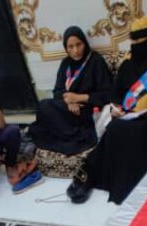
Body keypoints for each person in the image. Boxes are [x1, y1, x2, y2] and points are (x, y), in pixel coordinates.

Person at [67, 17, 147, 204]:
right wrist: (116, 107)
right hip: (127, 114)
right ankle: (92, 175)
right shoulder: (128, 63)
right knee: (116, 126)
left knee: (137, 129)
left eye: (141, 41)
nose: (136, 45)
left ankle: (136, 188)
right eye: (134, 41)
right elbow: (115, 93)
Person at [28, 26, 113, 156]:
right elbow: (57, 91)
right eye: (70, 47)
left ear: (85, 43)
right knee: (42, 109)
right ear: (66, 48)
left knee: (45, 115)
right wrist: (69, 101)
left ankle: (76, 136)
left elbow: (107, 94)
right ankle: (71, 134)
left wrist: (78, 98)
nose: (76, 51)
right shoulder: (66, 63)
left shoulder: (95, 61)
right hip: (68, 109)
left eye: (79, 45)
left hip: (87, 110)